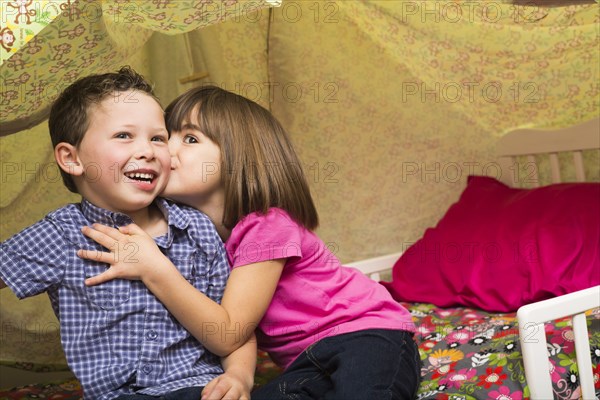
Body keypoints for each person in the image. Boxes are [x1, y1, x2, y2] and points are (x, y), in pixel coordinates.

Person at [78, 85, 421, 399]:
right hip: (304, 362)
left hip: (367, 335)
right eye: (167, 137)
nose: (166, 150)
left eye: (191, 139)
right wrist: (239, 378)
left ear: (239, 159)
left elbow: (227, 332)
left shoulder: (268, 224)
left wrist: (155, 269)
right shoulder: (197, 239)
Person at [0, 70, 256, 400]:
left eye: (157, 138)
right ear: (72, 158)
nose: (147, 151)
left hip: (199, 387)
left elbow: (236, 329)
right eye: (124, 135)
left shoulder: (197, 229)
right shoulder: (62, 235)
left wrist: (239, 376)